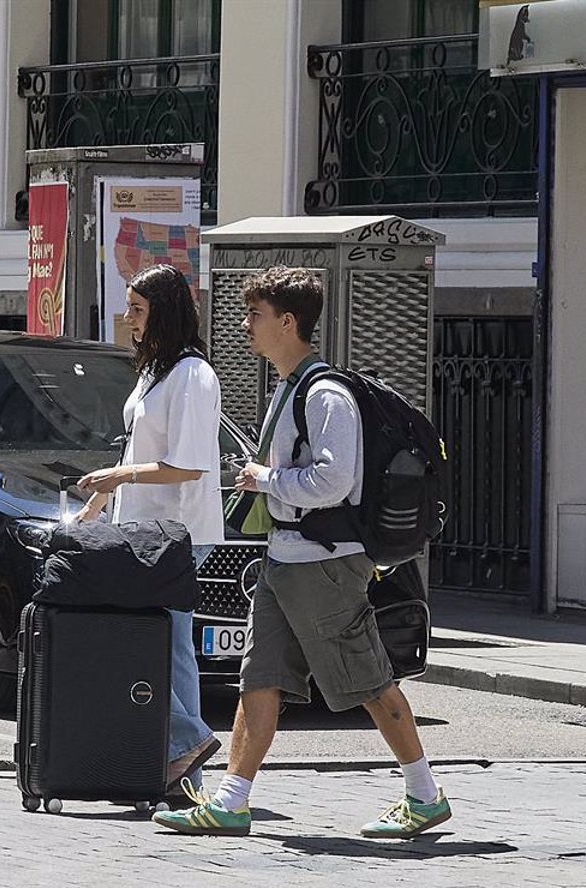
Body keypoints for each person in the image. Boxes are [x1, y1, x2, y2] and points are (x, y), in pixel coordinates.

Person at [154, 266, 452, 841]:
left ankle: (424, 794)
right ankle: (231, 801)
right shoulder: (289, 389)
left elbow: (333, 481)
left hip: (324, 563)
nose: (245, 326)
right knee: (259, 676)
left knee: (368, 680)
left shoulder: (324, 395)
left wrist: (266, 479)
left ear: (288, 322)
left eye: (255, 315)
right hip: (285, 558)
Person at [76, 263, 224, 792]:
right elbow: (137, 448)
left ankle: (187, 745)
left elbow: (188, 466)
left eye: (137, 309)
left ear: (163, 312)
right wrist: (100, 502)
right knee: (169, 646)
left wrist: (119, 478)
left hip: (177, 532)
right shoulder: (157, 370)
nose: (128, 318)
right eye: (128, 307)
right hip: (145, 529)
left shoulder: (192, 375)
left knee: (145, 642)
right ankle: (186, 772)